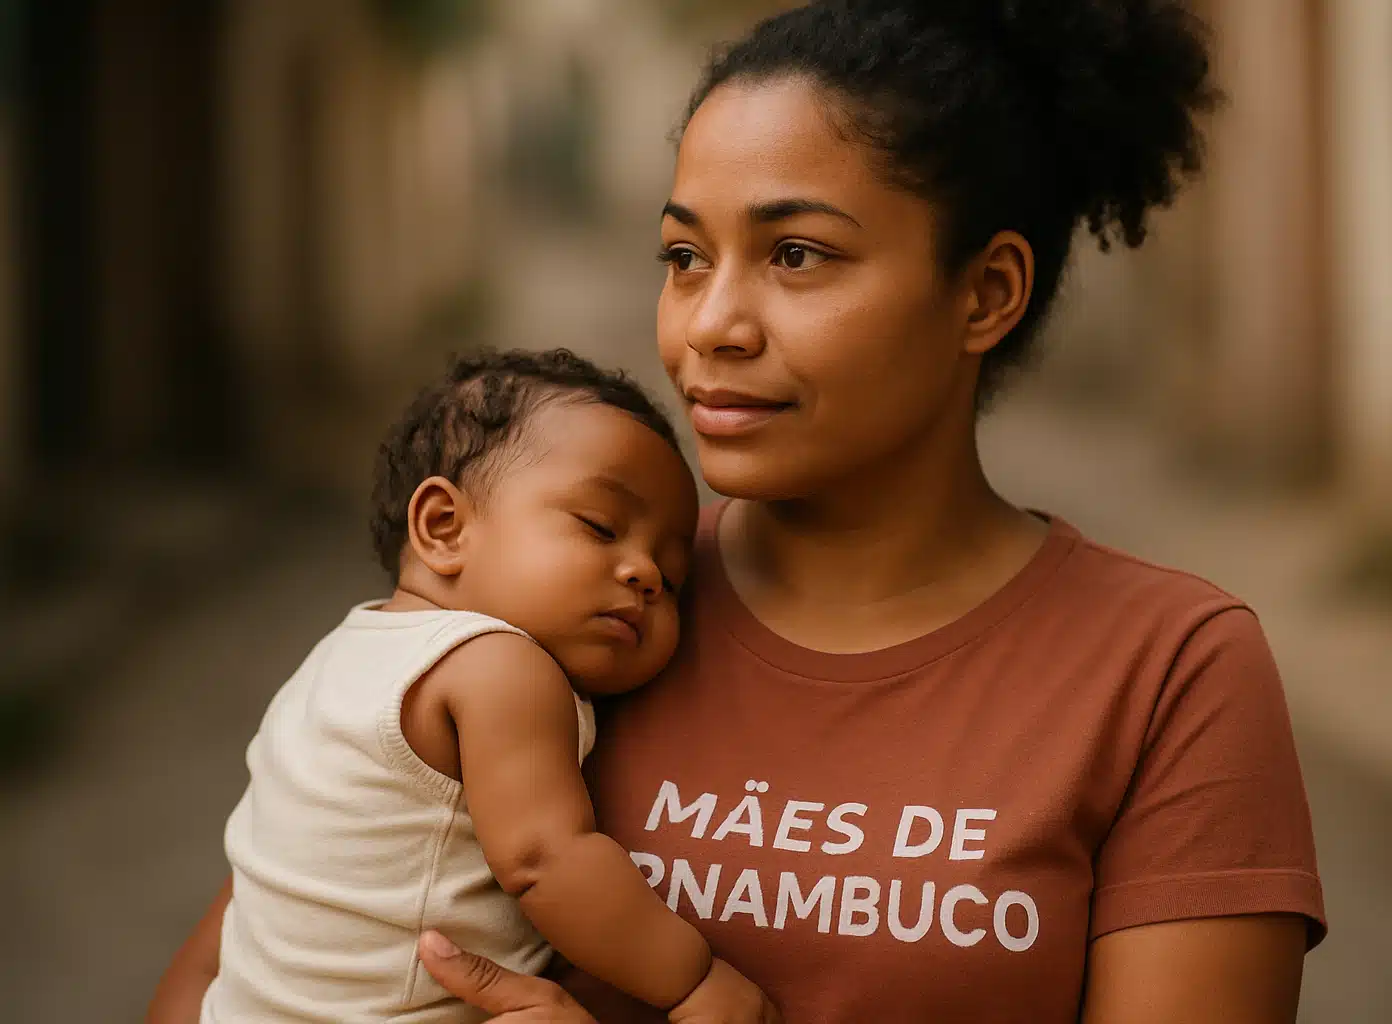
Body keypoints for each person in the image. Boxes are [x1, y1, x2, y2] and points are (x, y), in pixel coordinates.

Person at [151, 2, 1326, 1021]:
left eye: (799, 255)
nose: (710, 324)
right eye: (681, 255)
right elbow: (238, 965)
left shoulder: (1167, 670)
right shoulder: (573, 607)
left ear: (986, 292)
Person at [185, 350, 778, 1024]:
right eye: (601, 527)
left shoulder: (337, 656)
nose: (643, 571)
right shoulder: (498, 665)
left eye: (671, 578)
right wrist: (693, 983)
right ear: (444, 528)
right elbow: (545, 861)